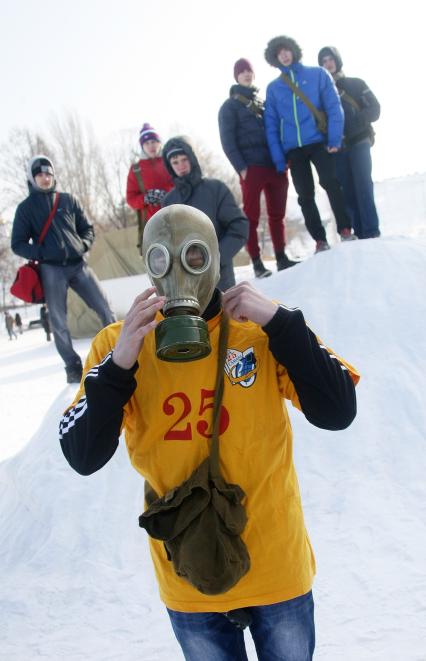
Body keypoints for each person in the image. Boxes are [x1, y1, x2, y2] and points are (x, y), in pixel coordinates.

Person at [59, 204, 360, 661]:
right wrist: (119, 365)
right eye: (162, 260)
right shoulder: (120, 346)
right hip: (189, 574)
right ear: (149, 267)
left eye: (195, 257)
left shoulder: (258, 333)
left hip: (275, 567)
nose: (181, 273)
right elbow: (82, 454)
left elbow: (338, 410)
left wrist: (282, 323)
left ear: (217, 260)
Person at [11, 155, 115, 383]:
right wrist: (42, 253)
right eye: (39, 174)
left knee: (105, 307)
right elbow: (17, 243)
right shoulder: (26, 208)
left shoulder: (68, 200)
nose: (45, 178)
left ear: (53, 175)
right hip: (51, 270)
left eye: (48, 173)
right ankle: (72, 366)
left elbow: (87, 229)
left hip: (79, 265)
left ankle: (118, 350)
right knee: (58, 321)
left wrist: (83, 245)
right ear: (32, 178)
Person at [264, 35, 357, 252]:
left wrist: (334, 138)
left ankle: (345, 229)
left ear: (294, 51)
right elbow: (271, 125)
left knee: (331, 183)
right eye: (279, 53)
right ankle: (319, 240)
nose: (284, 55)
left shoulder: (317, 75)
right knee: (305, 195)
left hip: (318, 142)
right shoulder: (274, 88)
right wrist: (278, 158)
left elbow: (334, 106)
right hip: (294, 149)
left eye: (286, 50)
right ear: (274, 58)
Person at [218, 58, 295, 278]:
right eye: (242, 71)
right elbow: (227, 140)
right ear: (236, 76)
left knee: (277, 214)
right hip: (251, 167)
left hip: (275, 165)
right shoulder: (229, 107)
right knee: (251, 216)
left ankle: (281, 257)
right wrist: (241, 168)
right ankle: (257, 263)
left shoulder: (262, 103)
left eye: (249, 70)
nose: (247, 74)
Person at [162, 136, 249, 291]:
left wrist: (214, 258)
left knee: (225, 314)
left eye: (184, 159)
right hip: (185, 285)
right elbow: (165, 241)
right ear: (170, 166)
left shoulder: (216, 189)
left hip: (220, 278)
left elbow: (239, 227)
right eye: (175, 162)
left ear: (192, 159)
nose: (181, 165)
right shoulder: (169, 202)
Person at [318, 46, 381, 239]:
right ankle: (360, 233)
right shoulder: (321, 94)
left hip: (360, 140)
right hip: (338, 148)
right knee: (347, 190)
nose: (328, 64)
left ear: (337, 61)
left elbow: (375, 109)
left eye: (330, 59)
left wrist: (356, 119)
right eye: (324, 61)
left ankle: (372, 231)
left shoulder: (356, 83)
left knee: (363, 185)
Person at [126, 123, 174, 249]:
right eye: (146, 143)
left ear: (159, 142)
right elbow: (131, 199)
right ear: (142, 146)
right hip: (152, 226)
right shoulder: (136, 169)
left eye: (153, 141)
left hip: (176, 219)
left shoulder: (171, 161)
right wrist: (145, 198)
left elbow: (182, 185)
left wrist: (167, 194)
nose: (151, 146)